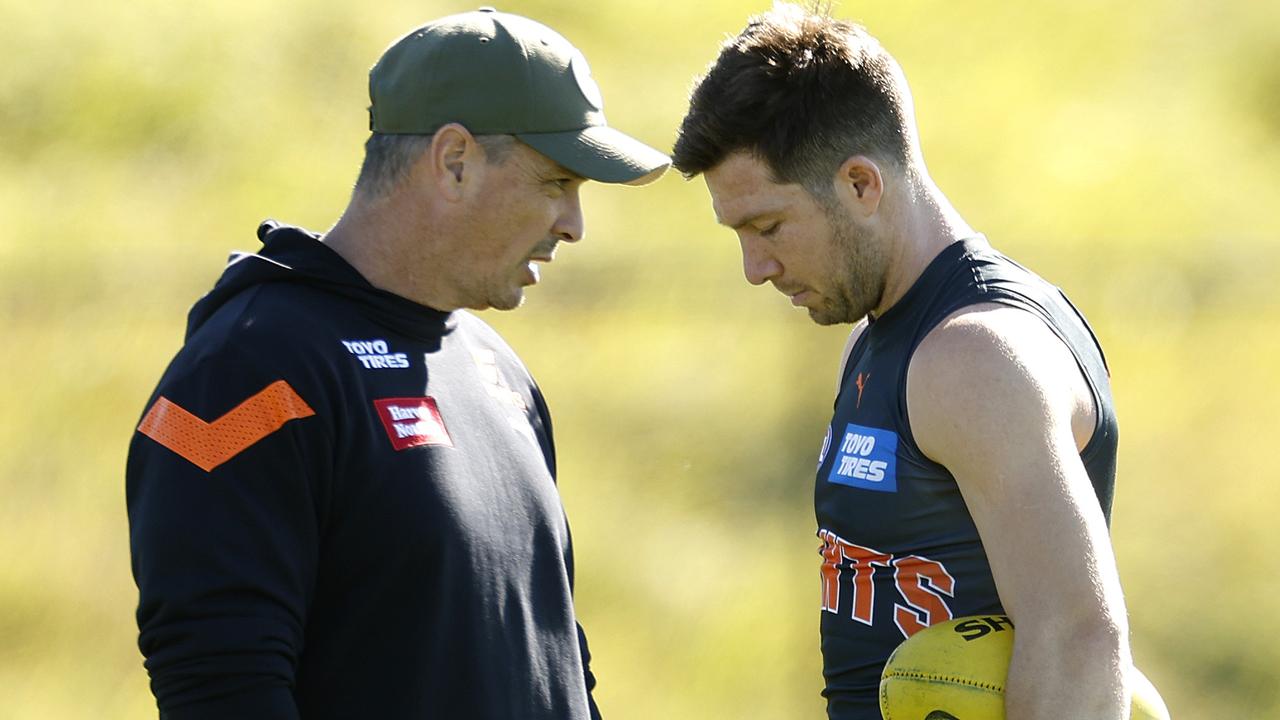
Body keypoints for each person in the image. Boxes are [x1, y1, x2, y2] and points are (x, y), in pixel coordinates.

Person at [126, 8, 669, 719]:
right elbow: (218, 682)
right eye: (555, 183)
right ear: (454, 162)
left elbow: (557, 661)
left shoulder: (498, 370)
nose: (574, 224)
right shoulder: (249, 369)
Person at [672, 5, 1130, 719]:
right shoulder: (876, 341)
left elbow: (1078, 633)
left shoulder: (974, 356)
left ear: (860, 184)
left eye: (768, 226)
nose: (755, 267)